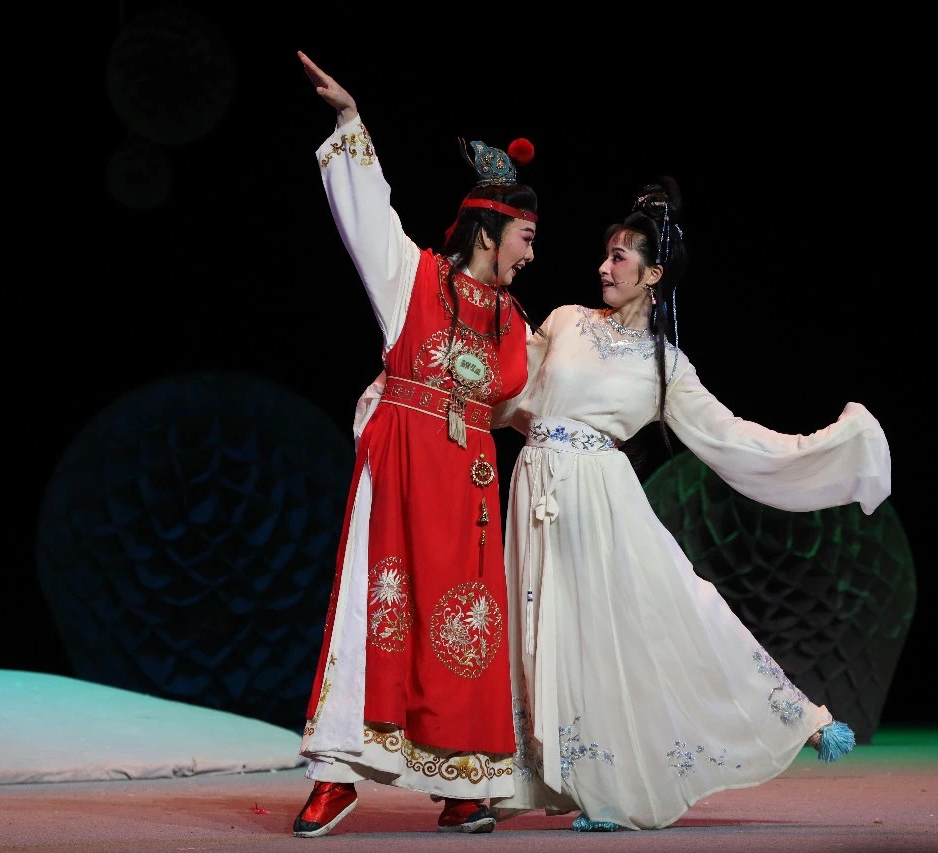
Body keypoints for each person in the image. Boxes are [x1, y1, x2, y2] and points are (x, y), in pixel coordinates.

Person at [490, 176, 892, 831]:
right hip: (537, 487)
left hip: (601, 498)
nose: (604, 267)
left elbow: (731, 437)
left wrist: (828, 446)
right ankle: (520, 777)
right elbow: (510, 393)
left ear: (652, 274)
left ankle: (636, 781)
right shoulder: (565, 321)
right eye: (606, 255)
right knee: (543, 630)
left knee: (657, 618)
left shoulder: (666, 366)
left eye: (619, 256)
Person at [290, 51, 540, 838]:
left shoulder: (516, 323)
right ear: (489, 230)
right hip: (401, 469)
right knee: (377, 612)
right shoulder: (414, 277)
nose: (531, 253)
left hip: (469, 487)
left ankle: (465, 783)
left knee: (467, 629)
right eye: (525, 236)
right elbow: (369, 216)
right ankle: (337, 772)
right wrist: (350, 120)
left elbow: (540, 403)